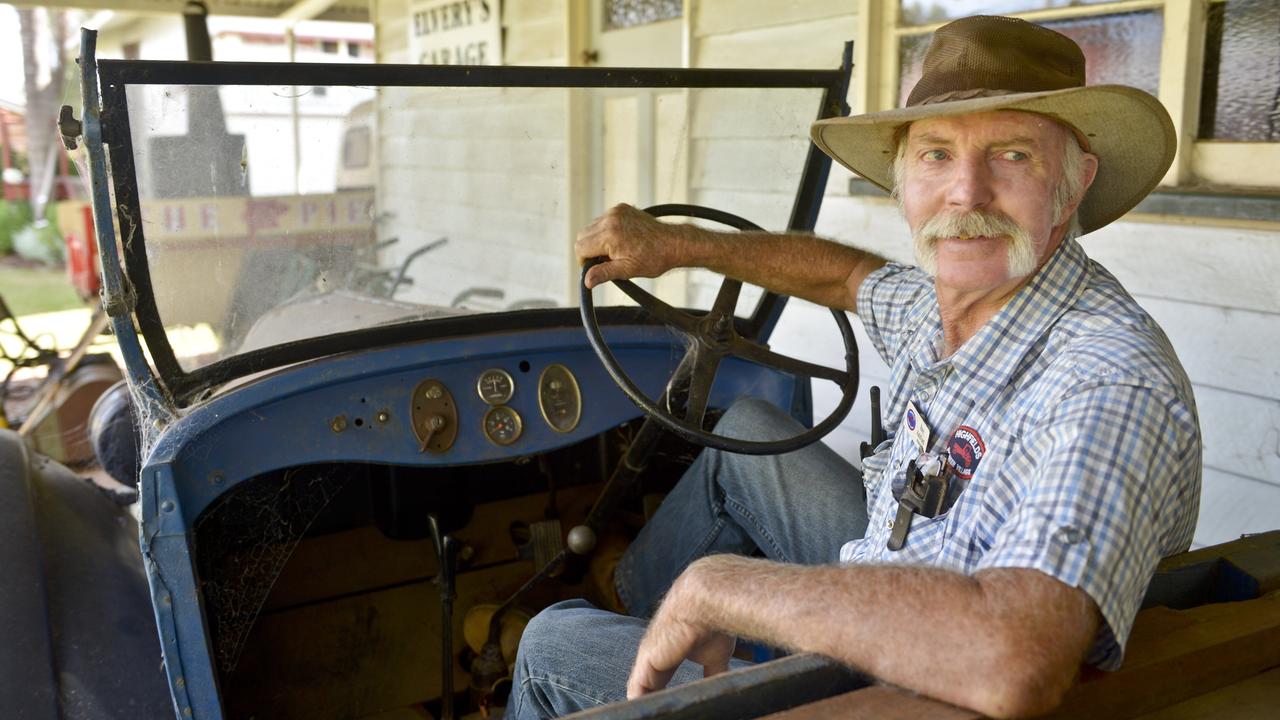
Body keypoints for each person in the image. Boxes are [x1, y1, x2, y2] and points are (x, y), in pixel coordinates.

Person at [508, 15, 1201, 719]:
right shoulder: (953, 302)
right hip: (904, 575)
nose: (966, 194)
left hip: (910, 686)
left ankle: (624, 641)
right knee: (746, 435)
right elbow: (843, 278)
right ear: (901, 181)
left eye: (1013, 155)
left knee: (549, 642)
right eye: (935, 155)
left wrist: (722, 588)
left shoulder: (1106, 379)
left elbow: (1014, 659)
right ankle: (635, 610)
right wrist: (679, 245)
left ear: (1075, 180)